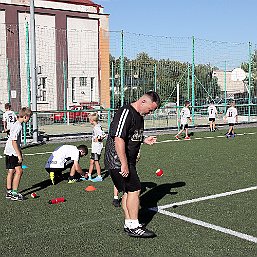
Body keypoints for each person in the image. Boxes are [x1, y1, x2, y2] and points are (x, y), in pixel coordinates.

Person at [104, 91, 160, 238]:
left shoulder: (139, 117)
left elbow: (132, 135)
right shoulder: (126, 112)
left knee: (129, 192)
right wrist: (123, 163)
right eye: (150, 109)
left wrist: (144, 139)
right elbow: (118, 138)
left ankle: (129, 224)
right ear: (143, 101)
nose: (150, 113)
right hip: (117, 160)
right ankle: (134, 226)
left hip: (127, 161)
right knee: (135, 189)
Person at [4, 107, 32, 201]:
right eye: (29, 117)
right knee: (19, 171)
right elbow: (14, 141)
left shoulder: (15, 124)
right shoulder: (18, 126)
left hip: (8, 150)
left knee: (11, 171)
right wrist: (19, 154)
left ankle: (9, 192)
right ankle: (14, 194)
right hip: (13, 152)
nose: (29, 119)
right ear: (25, 117)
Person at [88, 113, 106, 182]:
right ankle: (89, 175)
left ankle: (99, 176)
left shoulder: (97, 127)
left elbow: (103, 134)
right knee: (92, 161)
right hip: (94, 147)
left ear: (92, 120)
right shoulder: (97, 126)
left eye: (89, 120)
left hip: (97, 148)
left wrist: (98, 138)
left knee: (96, 162)